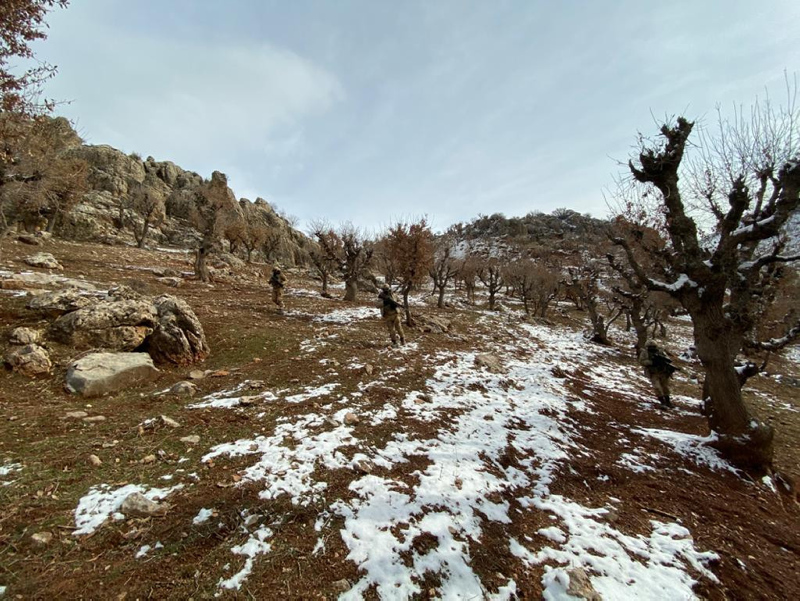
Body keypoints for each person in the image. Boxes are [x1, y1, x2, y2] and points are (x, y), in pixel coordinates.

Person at [638, 339, 677, 409]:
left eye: (653, 346)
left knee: (665, 387)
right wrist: (651, 362)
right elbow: (641, 361)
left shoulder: (661, 352)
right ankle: (662, 402)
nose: (652, 348)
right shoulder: (645, 353)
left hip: (663, 373)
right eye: (650, 347)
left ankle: (668, 402)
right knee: (657, 388)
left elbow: (667, 360)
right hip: (653, 373)